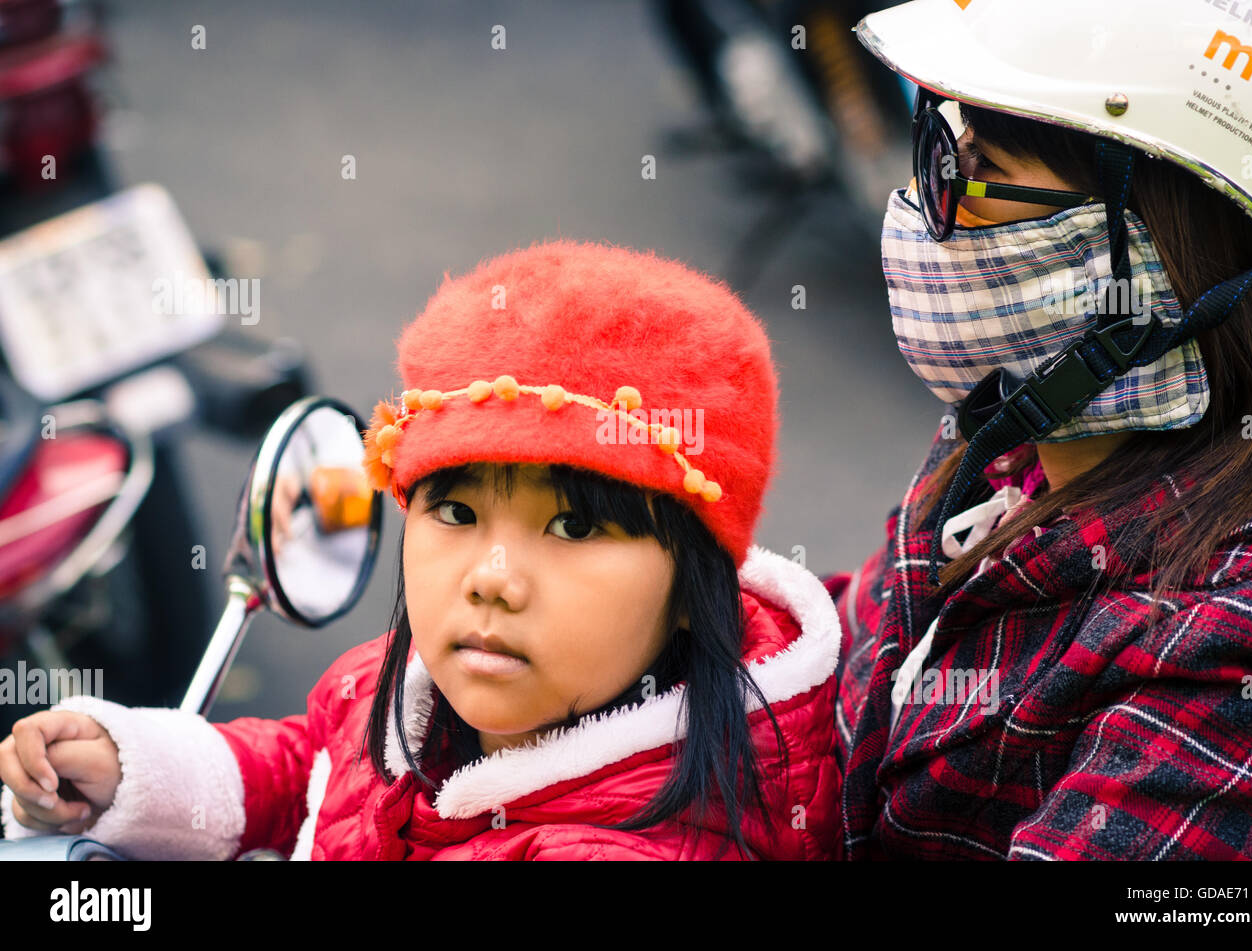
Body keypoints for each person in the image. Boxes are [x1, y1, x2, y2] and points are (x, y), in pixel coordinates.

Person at [0, 240, 844, 860]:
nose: (492, 581)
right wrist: (140, 769)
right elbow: (325, 769)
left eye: (575, 526)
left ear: (696, 581)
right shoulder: (410, 691)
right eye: (455, 509)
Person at [830, 0, 1252, 859]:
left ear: (1173, 251)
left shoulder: (1241, 662)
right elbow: (857, 643)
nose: (920, 210)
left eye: (977, 171)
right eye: (939, 148)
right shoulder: (1015, 441)